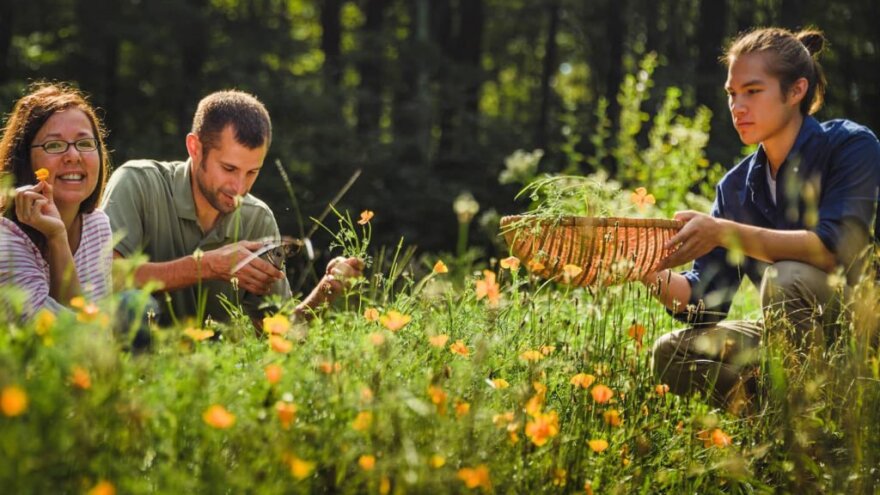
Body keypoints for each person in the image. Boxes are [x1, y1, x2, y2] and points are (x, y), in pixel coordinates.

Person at [643, 28, 880, 411]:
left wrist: (723, 232)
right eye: (731, 94)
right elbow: (705, 303)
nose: (737, 106)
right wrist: (644, 267)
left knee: (785, 276)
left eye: (752, 91)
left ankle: (823, 414)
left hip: (865, 331)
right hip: (790, 343)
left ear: (795, 91)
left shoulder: (851, 146)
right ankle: (778, 418)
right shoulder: (735, 187)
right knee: (670, 352)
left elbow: (837, 251)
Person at [101, 90, 361, 327]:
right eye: (229, 169)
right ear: (195, 148)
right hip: (128, 365)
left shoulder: (257, 218)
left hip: (213, 373)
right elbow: (102, 278)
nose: (239, 187)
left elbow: (279, 335)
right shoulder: (138, 183)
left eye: (252, 172)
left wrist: (327, 291)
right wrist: (207, 266)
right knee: (132, 305)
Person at [0, 83, 113, 318]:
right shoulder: (5, 243)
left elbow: (99, 337)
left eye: (84, 143)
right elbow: (64, 342)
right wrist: (57, 238)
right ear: (24, 159)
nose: (73, 156)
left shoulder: (96, 225)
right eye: (54, 145)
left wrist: (56, 237)